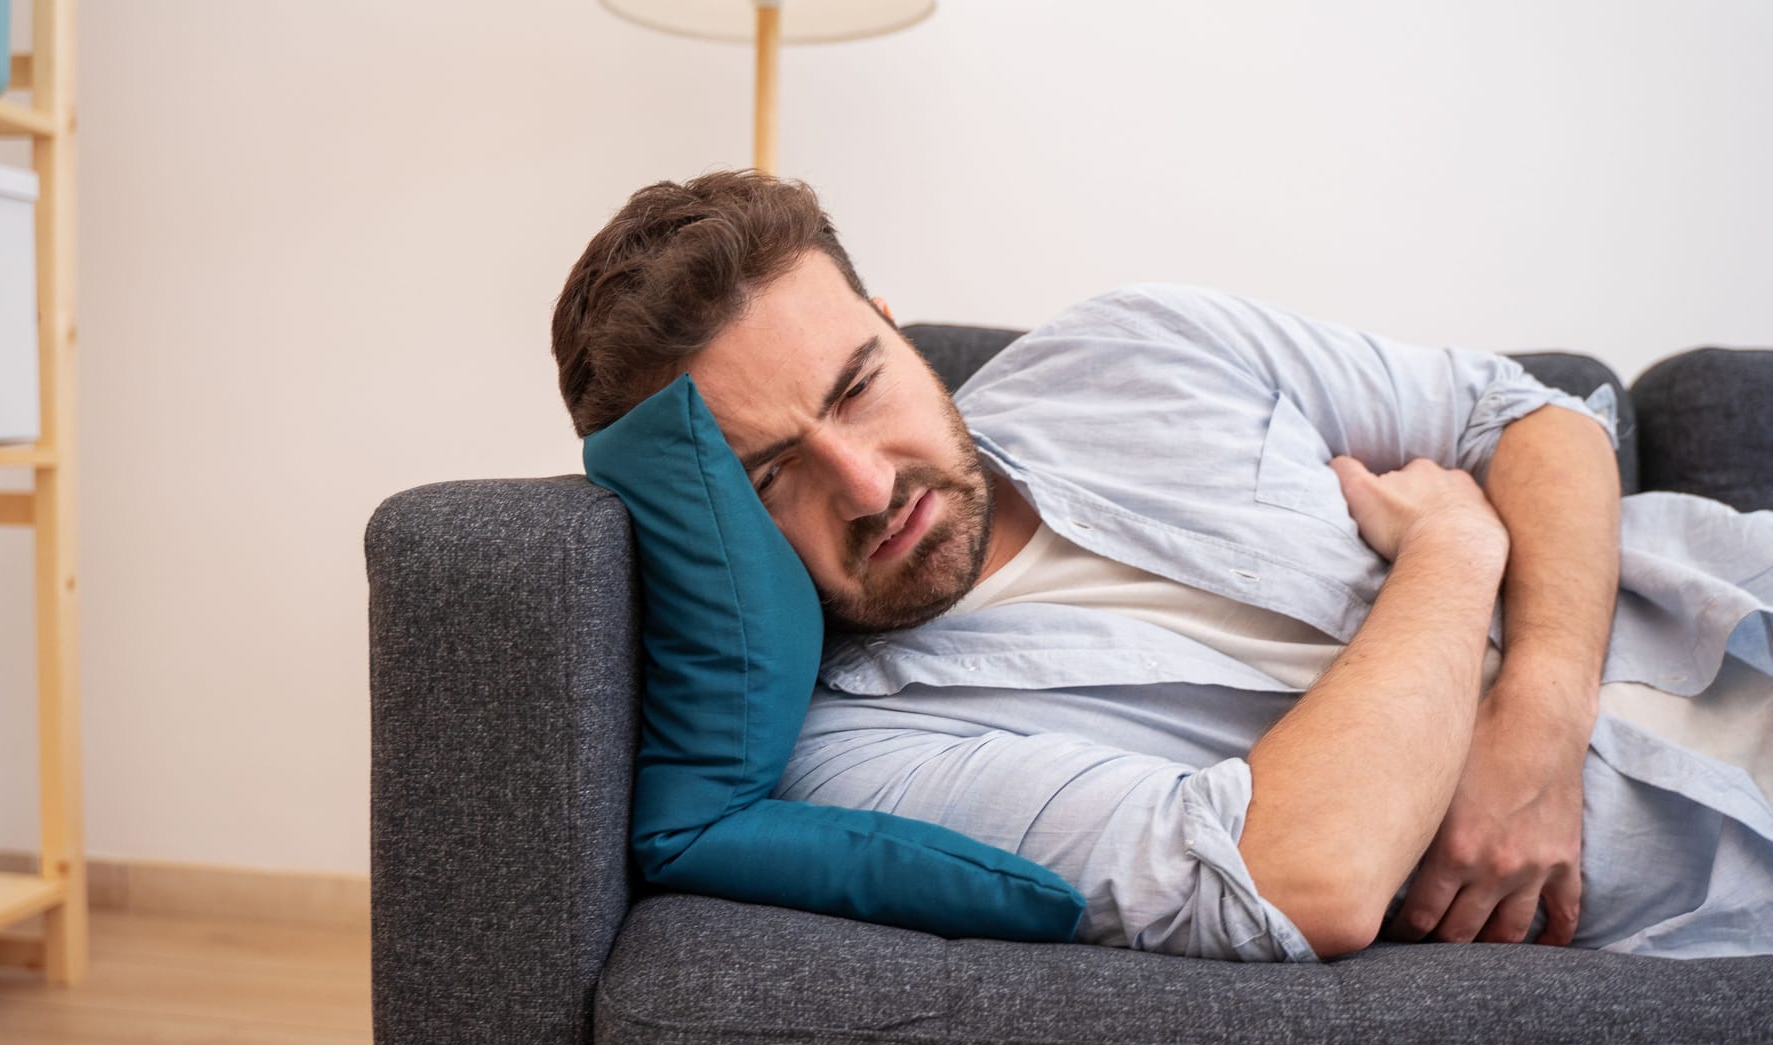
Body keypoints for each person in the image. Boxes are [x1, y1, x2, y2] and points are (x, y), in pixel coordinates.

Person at [550, 170, 1773, 961]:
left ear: (894, 326)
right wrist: (1453, 551)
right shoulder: (857, 758)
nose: (869, 488)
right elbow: (1309, 878)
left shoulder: (1131, 345)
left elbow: (1530, 416)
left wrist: (1543, 706)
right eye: (770, 478)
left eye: (860, 386)